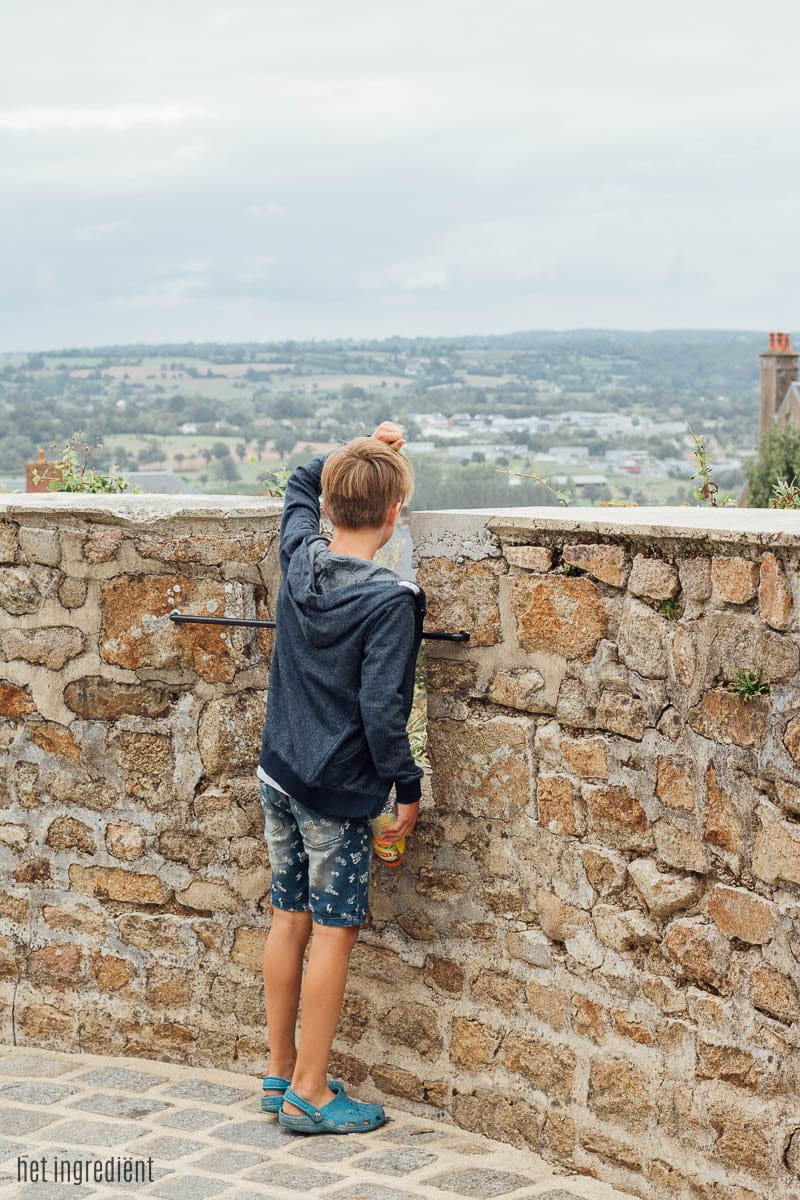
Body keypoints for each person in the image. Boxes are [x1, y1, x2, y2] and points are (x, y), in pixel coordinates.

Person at [255, 421, 425, 1135]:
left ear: (328, 509)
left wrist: (360, 452)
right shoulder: (391, 601)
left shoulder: (301, 559)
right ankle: (312, 1093)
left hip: (278, 773)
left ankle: (279, 1070)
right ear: (393, 516)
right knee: (333, 930)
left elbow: (300, 474)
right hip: (335, 791)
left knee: (288, 918)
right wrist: (407, 790)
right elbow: (383, 714)